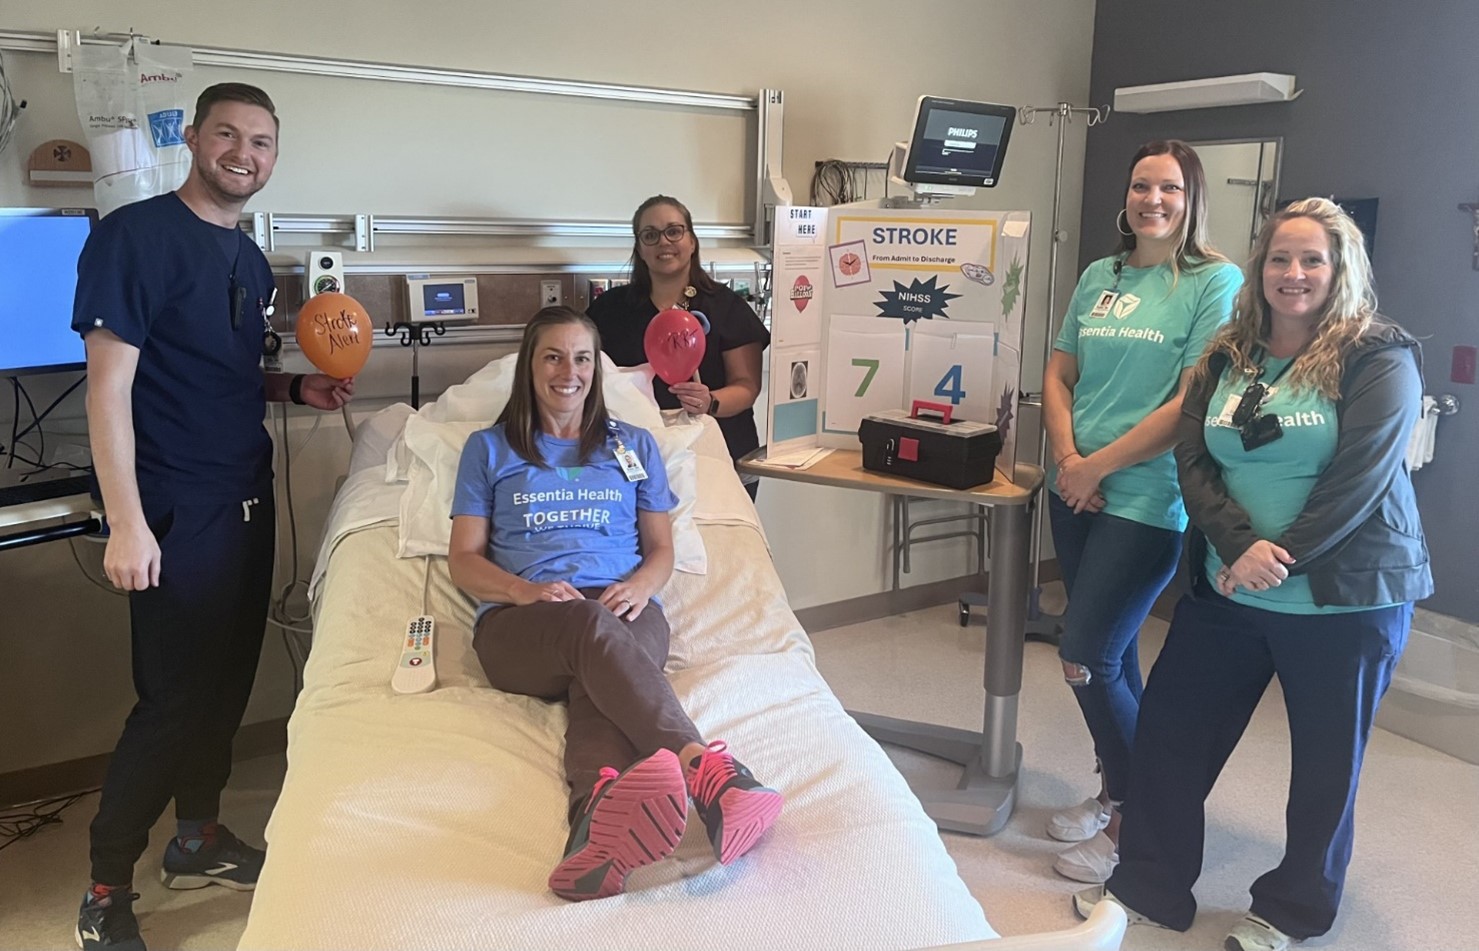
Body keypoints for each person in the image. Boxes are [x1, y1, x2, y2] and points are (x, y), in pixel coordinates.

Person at [1078, 198, 1432, 951]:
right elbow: (1193, 457)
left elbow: (1359, 478)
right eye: (1279, 257)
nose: (1293, 273)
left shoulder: (1378, 355)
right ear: (1260, 267)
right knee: (1172, 737)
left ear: (1339, 269)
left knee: (1324, 768)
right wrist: (1238, 548)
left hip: (1344, 601)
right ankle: (1148, 886)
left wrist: (1281, 555)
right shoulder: (1228, 354)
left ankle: (1288, 912)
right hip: (1229, 589)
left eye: (1311, 259)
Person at [70, 84, 353, 951]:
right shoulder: (135, 237)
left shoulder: (249, 259)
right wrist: (127, 522)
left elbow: (215, 372)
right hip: (173, 506)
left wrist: (293, 388)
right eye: (227, 134)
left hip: (243, 495)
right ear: (192, 138)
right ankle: (105, 887)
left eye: (261, 142)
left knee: (227, 683)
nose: (243, 153)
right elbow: (107, 390)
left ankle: (195, 837)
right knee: (172, 699)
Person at [447, 306, 782, 901]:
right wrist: (524, 591)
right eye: (553, 357)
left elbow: (661, 548)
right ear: (530, 367)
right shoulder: (488, 449)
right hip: (521, 624)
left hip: (628, 609)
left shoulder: (636, 445)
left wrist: (644, 586)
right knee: (588, 627)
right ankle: (708, 774)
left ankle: (594, 826)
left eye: (581, 359)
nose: (568, 372)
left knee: (598, 677)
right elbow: (464, 560)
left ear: (595, 371)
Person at [1040, 140, 1241, 884]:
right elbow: (1059, 372)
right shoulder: (1101, 274)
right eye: (1140, 186)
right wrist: (1069, 459)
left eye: (1169, 188)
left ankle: (1133, 815)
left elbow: (1191, 401)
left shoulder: (1214, 281)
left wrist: (1097, 466)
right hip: (1073, 485)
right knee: (1114, 654)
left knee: (1084, 653)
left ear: (1191, 198)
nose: (1152, 199)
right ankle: (1113, 793)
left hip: (1146, 494)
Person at [588, 195, 770, 496]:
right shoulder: (609, 310)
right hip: (635, 456)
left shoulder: (727, 307)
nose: (664, 241)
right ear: (639, 248)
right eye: (650, 235)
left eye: (674, 231)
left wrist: (709, 401)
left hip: (719, 456)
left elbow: (747, 386)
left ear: (692, 241)